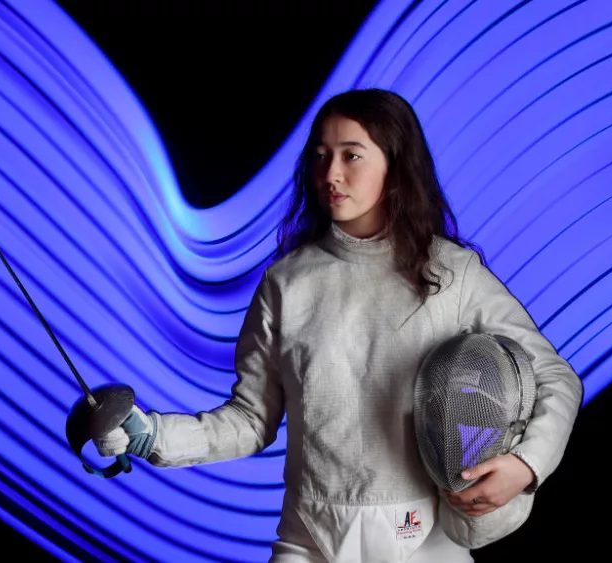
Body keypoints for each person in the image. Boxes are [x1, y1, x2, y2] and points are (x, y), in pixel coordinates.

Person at [97, 88, 583, 562]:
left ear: (395, 166)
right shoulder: (286, 283)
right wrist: (154, 435)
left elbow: (553, 376)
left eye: (352, 156)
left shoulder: (452, 274)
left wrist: (526, 464)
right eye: (321, 155)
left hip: (424, 537)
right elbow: (249, 421)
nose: (331, 173)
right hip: (309, 537)